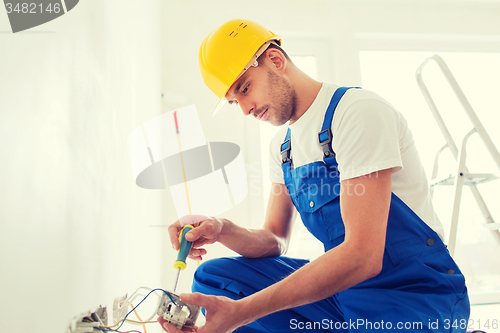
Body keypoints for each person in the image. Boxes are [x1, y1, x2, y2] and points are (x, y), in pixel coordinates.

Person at [159, 19, 470, 333]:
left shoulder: (357, 112)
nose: (245, 109)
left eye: (244, 88)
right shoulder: (283, 148)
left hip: (411, 295)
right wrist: (222, 228)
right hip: (345, 294)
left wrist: (242, 312)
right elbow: (275, 239)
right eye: (234, 101)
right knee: (213, 278)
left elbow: (363, 256)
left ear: (275, 61)